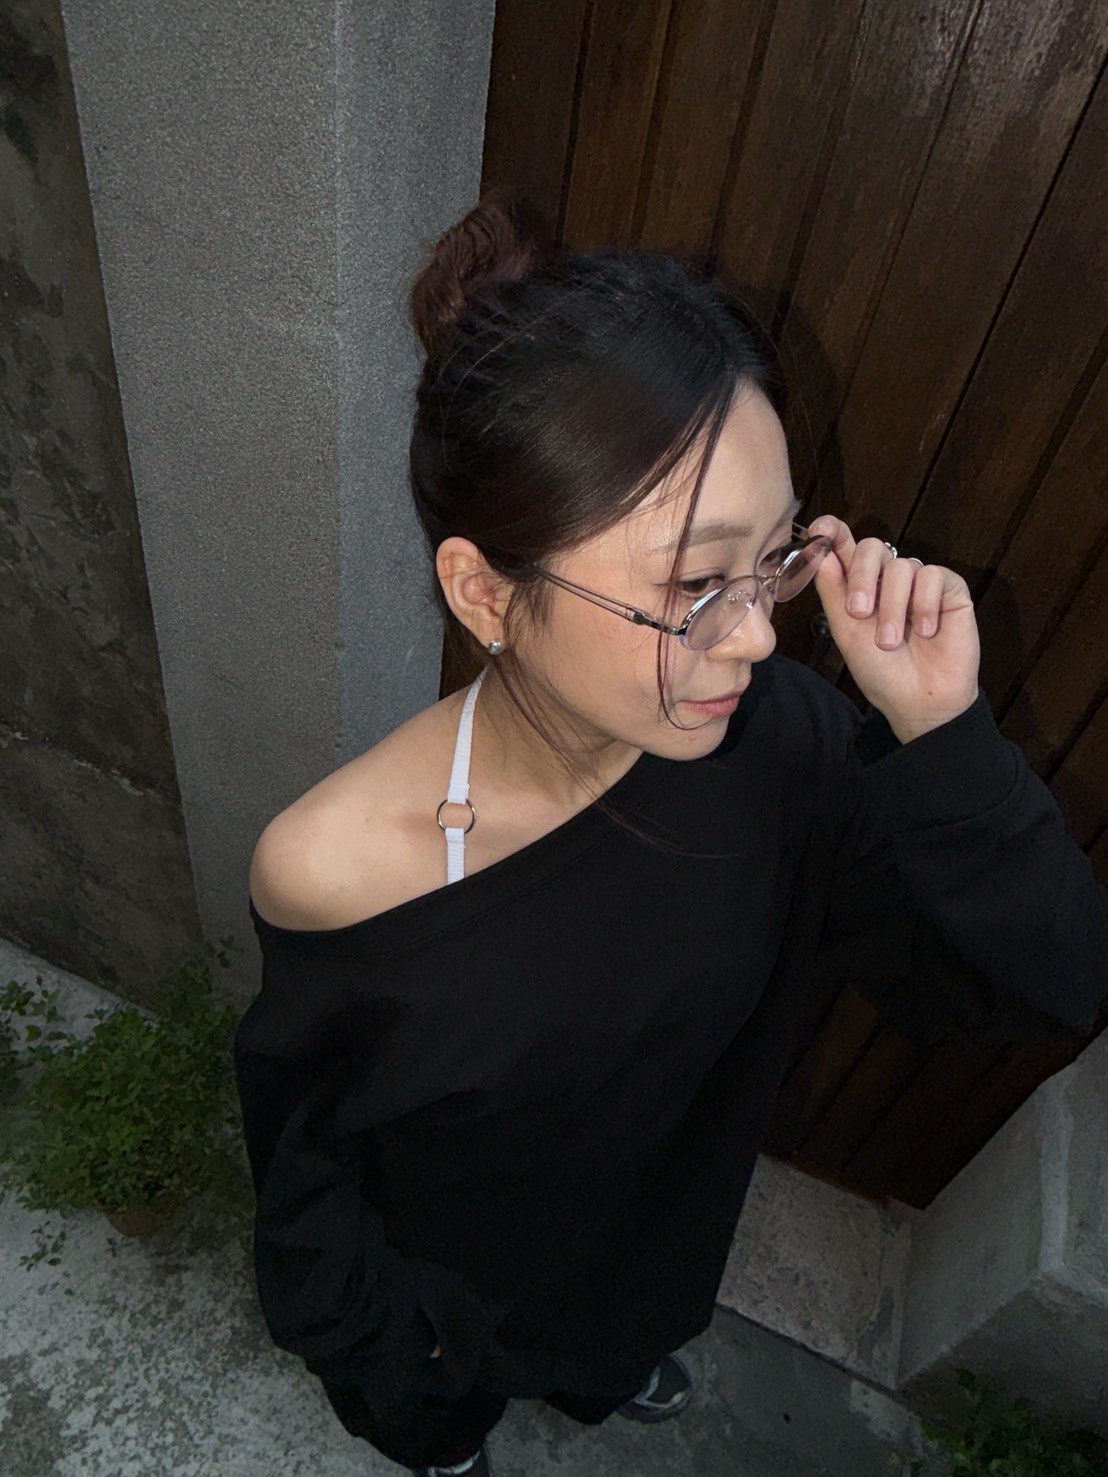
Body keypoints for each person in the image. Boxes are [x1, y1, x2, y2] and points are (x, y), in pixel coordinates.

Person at [232, 201, 1107, 1477]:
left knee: (607, 1365)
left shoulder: (781, 747)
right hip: (450, 1310)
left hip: (645, 1267)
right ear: (485, 592)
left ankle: (609, 1367)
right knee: (449, 1430)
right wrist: (395, 1357)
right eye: (695, 585)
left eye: (772, 557)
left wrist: (946, 739)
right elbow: (308, 1171)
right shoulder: (335, 864)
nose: (754, 633)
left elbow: (1041, 988)